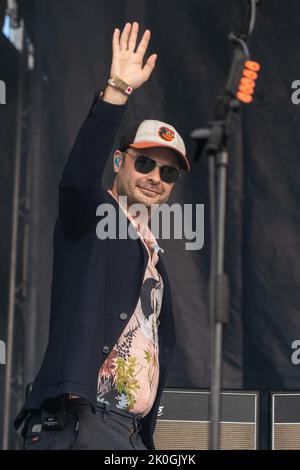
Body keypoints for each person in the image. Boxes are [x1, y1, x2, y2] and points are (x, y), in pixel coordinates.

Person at [14, 21, 190, 450]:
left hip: (128, 432)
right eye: (144, 164)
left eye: (167, 173)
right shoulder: (94, 213)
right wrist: (117, 91)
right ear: (118, 161)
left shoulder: (151, 251)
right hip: (83, 422)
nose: (155, 178)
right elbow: (75, 180)